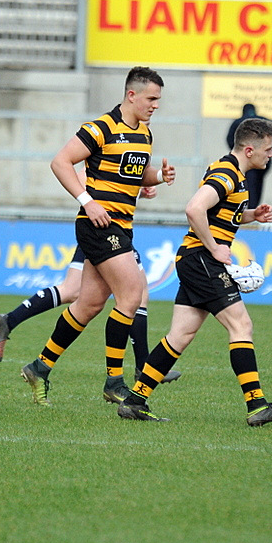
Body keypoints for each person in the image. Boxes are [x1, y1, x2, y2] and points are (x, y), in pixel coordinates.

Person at [116, 118, 272, 426]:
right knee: (241, 325)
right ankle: (257, 406)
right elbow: (194, 208)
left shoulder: (232, 173)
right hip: (202, 259)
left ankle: (135, 401)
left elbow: (220, 213)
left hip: (194, 259)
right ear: (249, 149)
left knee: (180, 335)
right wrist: (215, 248)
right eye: (268, 149)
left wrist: (252, 215)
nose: (271, 154)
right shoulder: (227, 173)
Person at [19, 66, 176, 407]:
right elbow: (60, 162)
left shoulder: (144, 133)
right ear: (131, 95)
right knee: (132, 293)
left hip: (121, 226)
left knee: (89, 304)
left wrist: (158, 177)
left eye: (158, 99)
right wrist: (87, 201)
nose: (155, 105)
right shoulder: (101, 128)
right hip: (100, 226)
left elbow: (135, 174)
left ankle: (39, 367)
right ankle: (114, 382)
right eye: (151, 98)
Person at [0, 190, 182, 385]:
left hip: (105, 228)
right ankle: (139, 369)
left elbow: (114, 186)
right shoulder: (100, 172)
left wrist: (142, 189)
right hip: (106, 230)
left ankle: (14, 327)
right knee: (134, 295)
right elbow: (90, 182)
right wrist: (90, 203)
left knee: (73, 291)